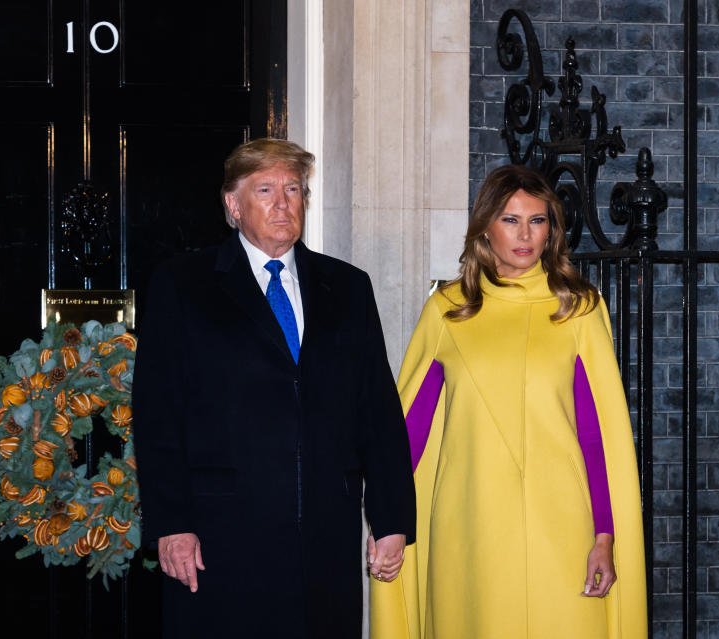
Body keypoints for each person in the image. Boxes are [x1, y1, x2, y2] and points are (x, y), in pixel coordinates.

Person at [133, 138, 416, 638]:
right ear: (233, 204)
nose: (284, 203)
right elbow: (158, 415)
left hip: (325, 536)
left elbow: (377, 411)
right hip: (221, 538)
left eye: (293, 189)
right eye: (266, 189)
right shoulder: (183, 285)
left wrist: (391, 517)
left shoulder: (348, 287)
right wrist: (170, 523)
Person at [370, 164, 647, 638]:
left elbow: (596, 433)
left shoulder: (579, 307)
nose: (525, 235)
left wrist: (605, 537)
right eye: (510, 220)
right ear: (485, 228)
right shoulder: (448, 310)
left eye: (537, 221)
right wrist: (388, 521)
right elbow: (408, 435)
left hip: (561, 525)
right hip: (469, 525)